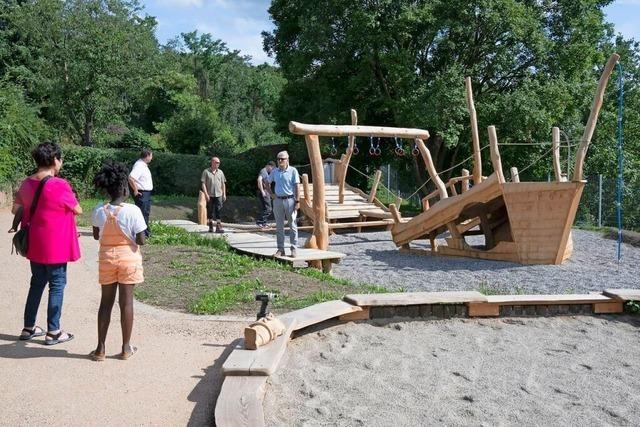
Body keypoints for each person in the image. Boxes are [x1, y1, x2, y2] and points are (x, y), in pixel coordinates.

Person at [14, 141, 82, 344]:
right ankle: (54, 331)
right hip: (56, 245)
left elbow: (16, 208)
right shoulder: (59, 184)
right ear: (54, 160)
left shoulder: (27, 182)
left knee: (36, 284)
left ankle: (28, 328)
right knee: (57, 285)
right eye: (60, 159)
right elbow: (77, 209)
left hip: (34, 243)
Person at [90, 161, 147, 361]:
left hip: (107, 258)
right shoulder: (133, 211)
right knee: (126, 303)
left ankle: (100, 348)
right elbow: (141, 239)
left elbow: (96, 235)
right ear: (124, 188)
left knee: (105, 303)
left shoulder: (99, 210)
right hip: (128, 259)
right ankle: (125, 348)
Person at [268, 151, 300, 258]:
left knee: (293, 225)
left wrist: (298, 201)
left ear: (287, 159)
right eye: (278, 159)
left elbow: (297, 186)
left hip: (290, 200)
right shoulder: (275, 171)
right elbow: (266, 182)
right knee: (279, 226)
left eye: (282, 159)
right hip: (278, 200)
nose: (280, 161)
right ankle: (280, 249)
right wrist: (271, 194)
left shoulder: (293, 171)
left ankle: (294, 248)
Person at [128, 148, 153, 237]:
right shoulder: (139, 165)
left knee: (145, 212)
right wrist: (135, 190)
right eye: (151, 155)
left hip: (146, 193)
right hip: (142, 193)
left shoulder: (143, 165)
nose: (151, 158)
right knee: (143, 213)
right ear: (147, 156)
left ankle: (146, 233)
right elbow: (131, 178)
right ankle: (142, 234)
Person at [201, 156, 227, 233]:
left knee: (219, 210)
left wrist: (224, 194)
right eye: (217, 162)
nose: (218, 164)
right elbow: (203, 184)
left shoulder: (221, 172)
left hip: (219, 194)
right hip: (210, 195)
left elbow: (223, 184)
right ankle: (211, 225)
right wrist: (206, 194)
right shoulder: (206, 171)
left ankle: (218, 226)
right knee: (210, 211)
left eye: (219, 163)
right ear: (212, 162)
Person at [256, 161, 276, 228]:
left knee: (265, 208)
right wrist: (262, 191)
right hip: (264, 191)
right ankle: (260, 221)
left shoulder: (266, 172)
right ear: (268, 166)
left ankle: (264, 223)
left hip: (266, 192)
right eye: (272, 168)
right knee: (269, 209)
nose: (272, 170)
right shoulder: (263, 171)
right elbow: (259, 180)